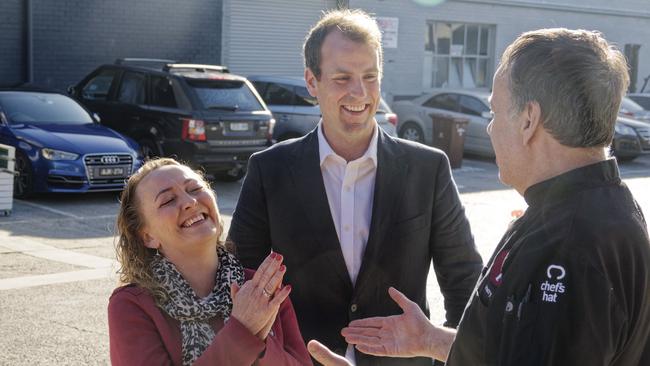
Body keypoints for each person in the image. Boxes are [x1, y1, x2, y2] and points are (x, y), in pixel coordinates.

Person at [310, 28, 650, 366]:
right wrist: (430, 340)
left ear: (529, 120)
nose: (489, 128)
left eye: (495, 113)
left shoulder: (571, 249)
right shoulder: (586, 212)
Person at [228, 9, 483, 365]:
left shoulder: (429, 168)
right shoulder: (268, 170)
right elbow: (239, 281)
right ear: (312, 81)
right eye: (342, 78)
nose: (359, 92)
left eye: (370, 76)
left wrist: (453, 355)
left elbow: (465, 282)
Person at [108, 158, 312, 366]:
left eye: (195, 188)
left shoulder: (261, 288)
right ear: (148, 237)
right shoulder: (132, 304)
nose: (190, 202)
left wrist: (261, 342)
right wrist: (243, 331)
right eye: (168, 200)